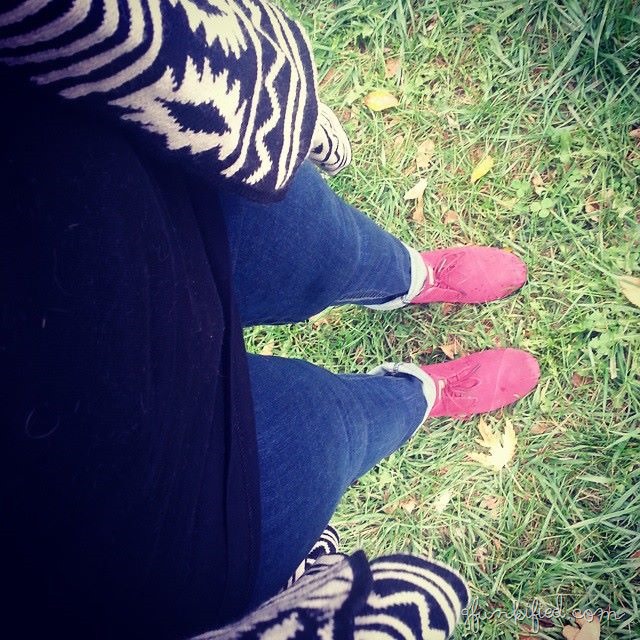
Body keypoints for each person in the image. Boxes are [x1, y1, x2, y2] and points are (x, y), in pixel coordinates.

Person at [0, 1, 539, 637]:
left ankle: (412, 279)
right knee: (335, 424)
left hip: (127, 193)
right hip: (148, 516)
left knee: (329, 249)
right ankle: (422, 394)